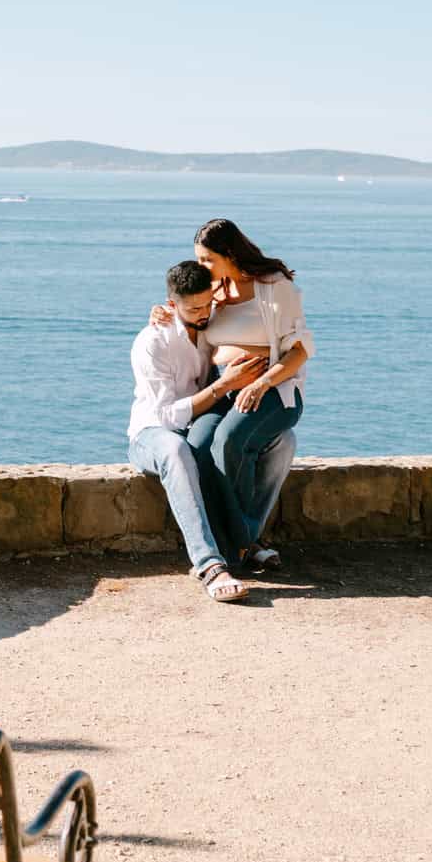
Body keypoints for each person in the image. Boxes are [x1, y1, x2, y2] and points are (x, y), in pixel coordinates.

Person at [154, 218, 312, 569]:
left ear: (229, 253)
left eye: (207, 259)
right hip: (223, 390)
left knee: (227, 439)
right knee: (197, 445)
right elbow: (188, 312)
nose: (201, 266)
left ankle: (232, 552)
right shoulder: (214, 292)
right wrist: (164, 312)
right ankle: (245, 541)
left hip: (274, 390)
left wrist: (260, 384)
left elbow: (299, 351)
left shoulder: (274, 287)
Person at [129, 260, 275, 602]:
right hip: (151, 434)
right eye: (193, 308)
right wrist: (223, 387)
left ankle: (244, 539)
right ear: (170, 304)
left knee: (279, 441)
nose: (203, 312)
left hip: (198, 426)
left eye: (208, 303)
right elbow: (165, 417)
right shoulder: (153, 341)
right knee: (177, 450)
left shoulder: (215, 324)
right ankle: (209, 564)